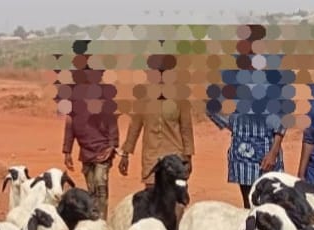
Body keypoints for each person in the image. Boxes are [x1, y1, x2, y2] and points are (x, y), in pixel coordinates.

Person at [116, 55, 195, 188]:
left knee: (176, 194)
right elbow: (134, 127)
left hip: (175, 157)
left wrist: (188, 158)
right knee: (151, 194)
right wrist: (125, 154)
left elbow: (186, 128)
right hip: (151, 158)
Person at [61, 69, 119, 219]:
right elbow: (69, 126)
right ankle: (94, 218)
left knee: (100, 184)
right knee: (91, 189)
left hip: (103, 150)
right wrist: (67, 151)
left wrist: (112, 145)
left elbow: (112, 123)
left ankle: (102, 220)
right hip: (86, 151)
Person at [207, 110, 285, 208]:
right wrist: (237, 125)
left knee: (271, 202)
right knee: (249, 202)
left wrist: (273, 153)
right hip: (242, 157)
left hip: (266, 153)